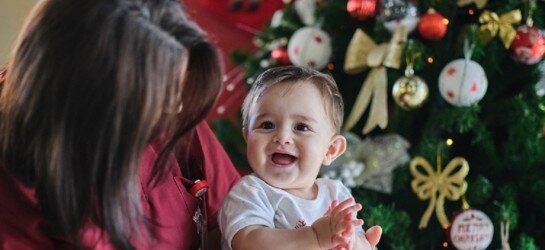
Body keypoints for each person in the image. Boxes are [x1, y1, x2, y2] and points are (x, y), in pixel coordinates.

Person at [0, 0, 239, 249]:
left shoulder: (171, 102)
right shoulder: (13, 185)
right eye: (158, 98)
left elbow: (235, 213)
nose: (177, 109)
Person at [218, 66, 382, 250]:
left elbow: (352, 237)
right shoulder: (251, 192)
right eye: (267, 124)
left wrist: (359, 244)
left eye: (301, 127)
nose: (282, 137)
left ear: (330, 150)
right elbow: (248, 242)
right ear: (248, 137)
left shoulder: (335, 194)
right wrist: (315, 237)